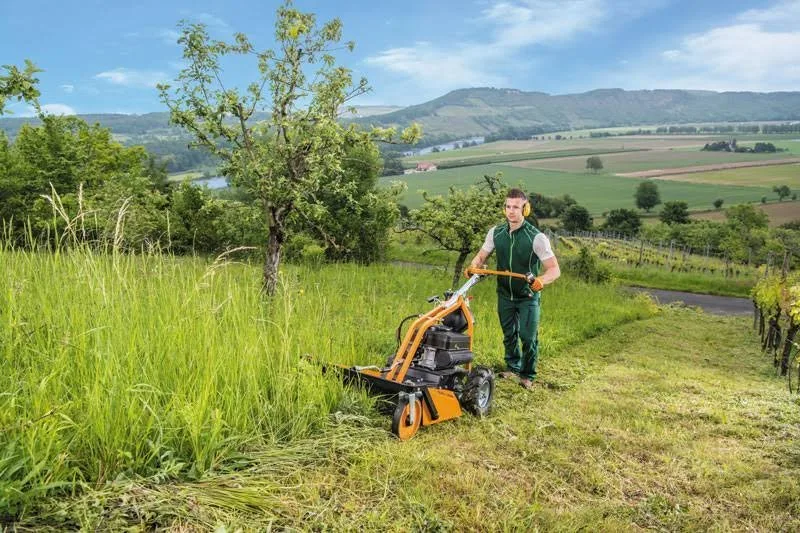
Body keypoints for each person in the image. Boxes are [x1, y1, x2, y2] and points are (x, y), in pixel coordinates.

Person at [466, 188, 560, 389]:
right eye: (508, 206)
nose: (511, 211)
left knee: (527, 337)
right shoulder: (496, 233)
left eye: (516, 207)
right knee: (509, 334)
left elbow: (554, 270)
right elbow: (481, 256)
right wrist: (474, 266)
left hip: (527, 296)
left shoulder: (536, 238)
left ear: (525, 209)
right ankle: (512, 367)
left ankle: (527, 375)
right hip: (505, 295)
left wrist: (541, 281)